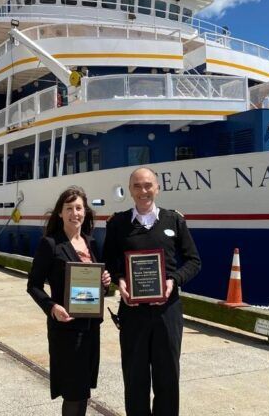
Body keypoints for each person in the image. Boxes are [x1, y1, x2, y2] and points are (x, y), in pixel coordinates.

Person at [104, 167, 201, 416]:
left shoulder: (174, 220)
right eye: (137, 186)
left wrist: (174, 281)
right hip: (133, 313)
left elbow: (193, 261)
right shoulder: (118, 224)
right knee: (135, 379)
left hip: (167, 312)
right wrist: (120, 281)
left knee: (167, 379)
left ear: (157, 188)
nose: (143, 191)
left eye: (148, 185)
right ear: (130, 190)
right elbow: (109, 263)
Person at [27, 186, 112, 416]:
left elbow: (97, 288)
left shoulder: (91, 243)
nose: (75, 213)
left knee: (83, 390)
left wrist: (105, 282)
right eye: (69, 208)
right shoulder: (51, 244)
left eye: (79, 208)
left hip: (90, 328)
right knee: (73, 392)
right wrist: (52, 307)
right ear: (60, 213)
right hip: (66, 329)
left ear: (85, 212)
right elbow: (33, 285)